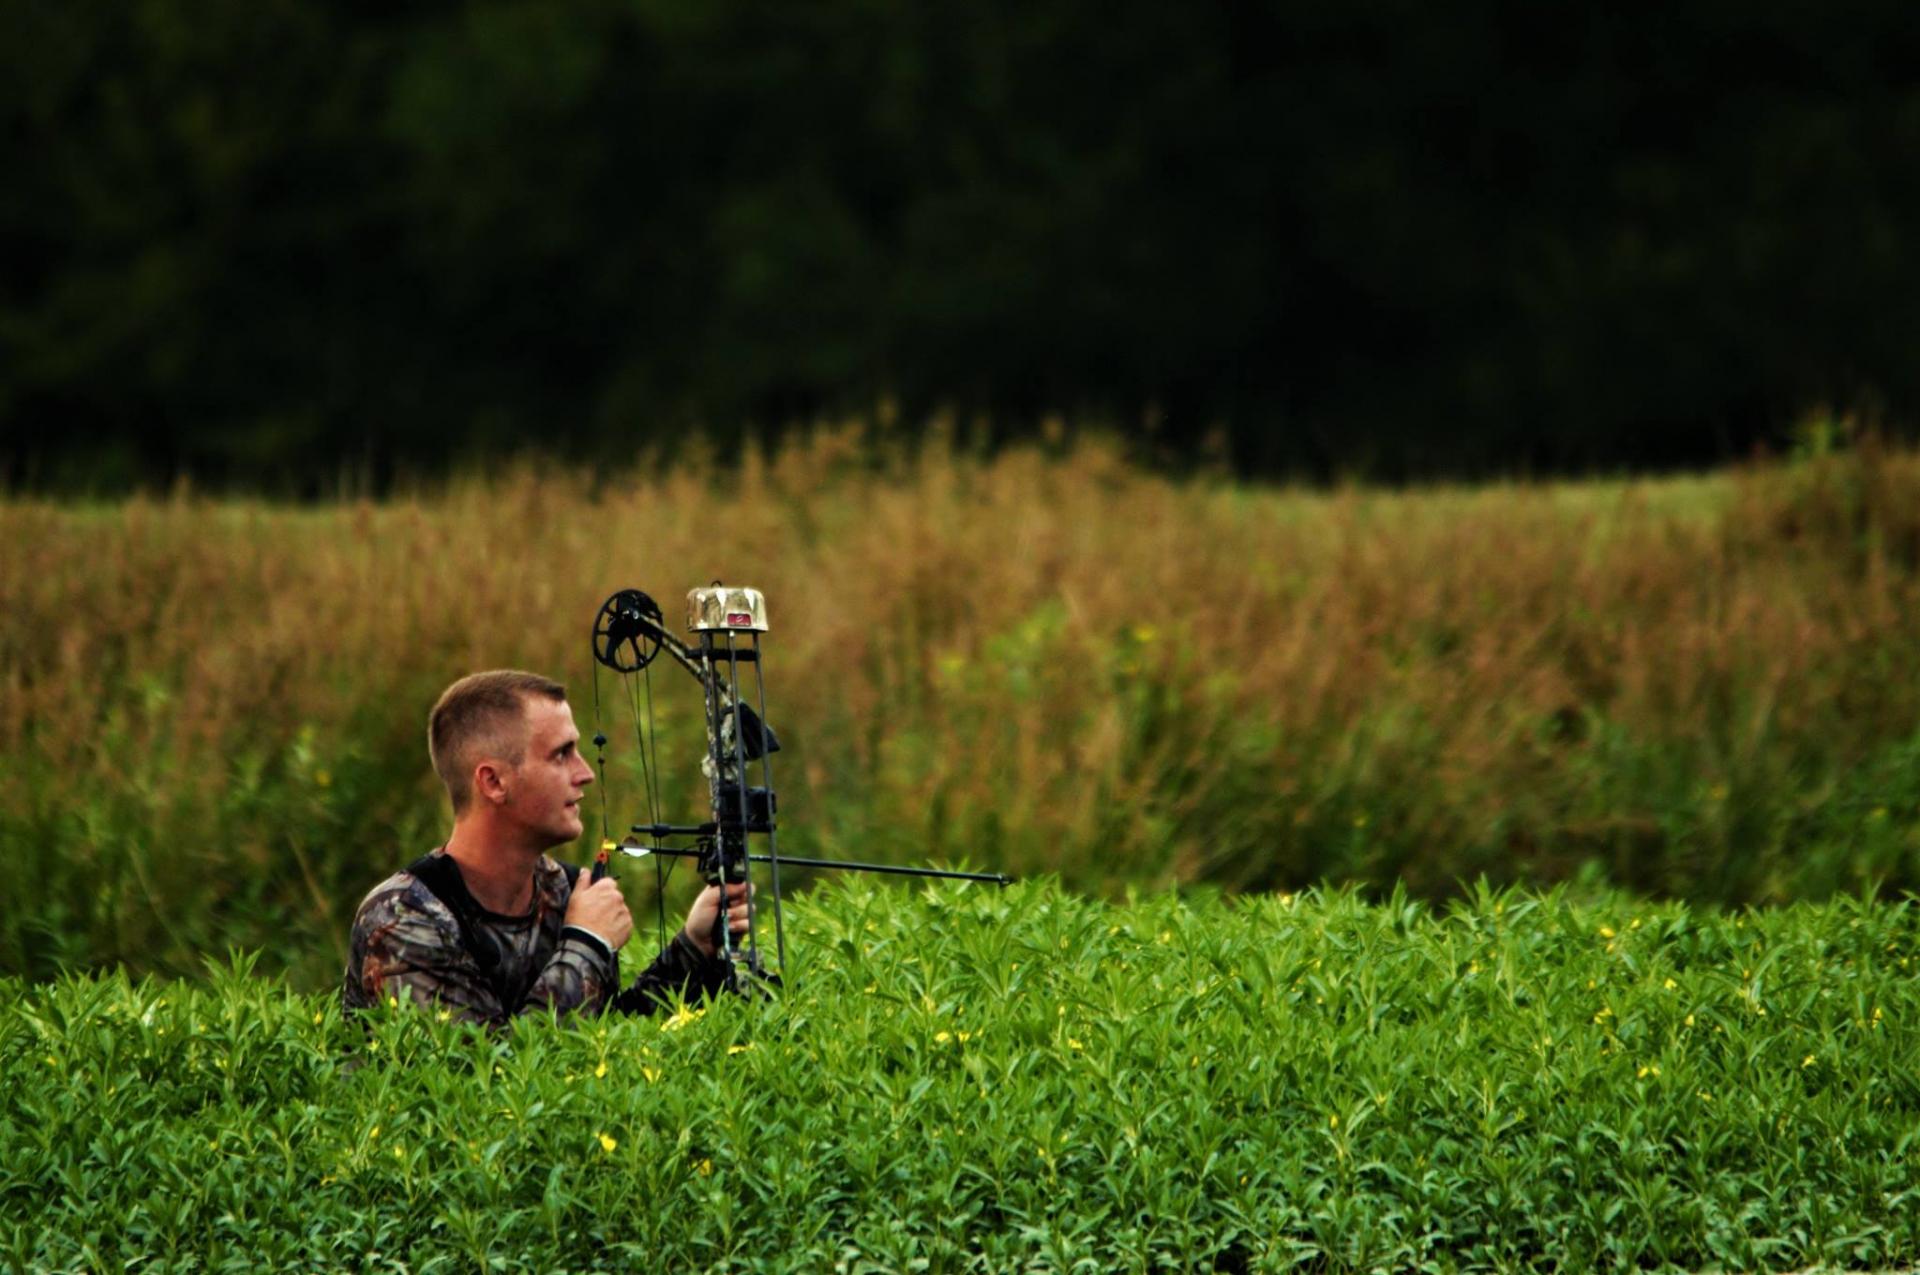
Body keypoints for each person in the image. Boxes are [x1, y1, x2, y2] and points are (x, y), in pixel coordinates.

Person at [341, 669, 747, 1025]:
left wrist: (695, 949)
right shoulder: (404, 920)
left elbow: (603, 1042)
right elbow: (485, 1086)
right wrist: (587, 944)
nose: (585, 774)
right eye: (561, 755)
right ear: (493, 782)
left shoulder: (564, 893)